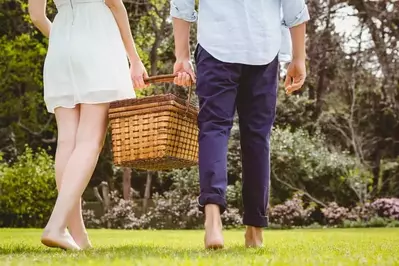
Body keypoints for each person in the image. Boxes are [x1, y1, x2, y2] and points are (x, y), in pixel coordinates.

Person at [170, 0, 310, 249]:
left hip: (216, 46)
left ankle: (213, 222)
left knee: (214, 128)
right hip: (262, 48)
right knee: (257, 138)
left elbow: (182, 4)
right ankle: (254, 231)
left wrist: (182, 56)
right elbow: (294, 6)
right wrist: (299, 57)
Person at [28, 0, 148, 250]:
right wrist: (134, 59)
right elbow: (115, 4)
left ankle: (78, 236)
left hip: (61, 46)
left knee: (67, 142)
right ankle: (56, 226)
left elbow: (37, 16)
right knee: (90, 141)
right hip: (97, 41)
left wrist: (65, 41)